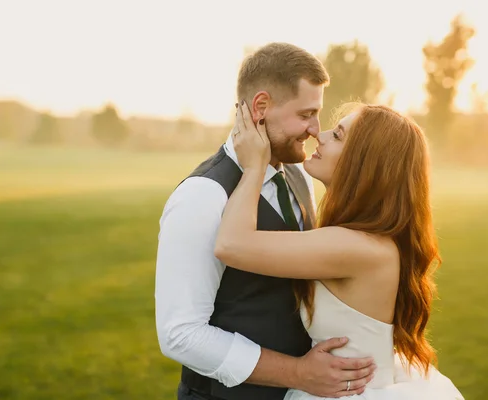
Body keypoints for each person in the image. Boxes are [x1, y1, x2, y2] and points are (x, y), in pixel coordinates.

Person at [155, 42, 376, 400]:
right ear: (261, 107)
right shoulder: (202, 196)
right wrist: (298, 372)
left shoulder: (299, 176)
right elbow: (181, 334)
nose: (315, 129)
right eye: (306, 114)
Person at [213, 101, 465, 400]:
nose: (320, 134)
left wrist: (255, 165)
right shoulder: (364, 241)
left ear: (364, 164)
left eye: (338, 135)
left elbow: (231, 245)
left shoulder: (356, 247)